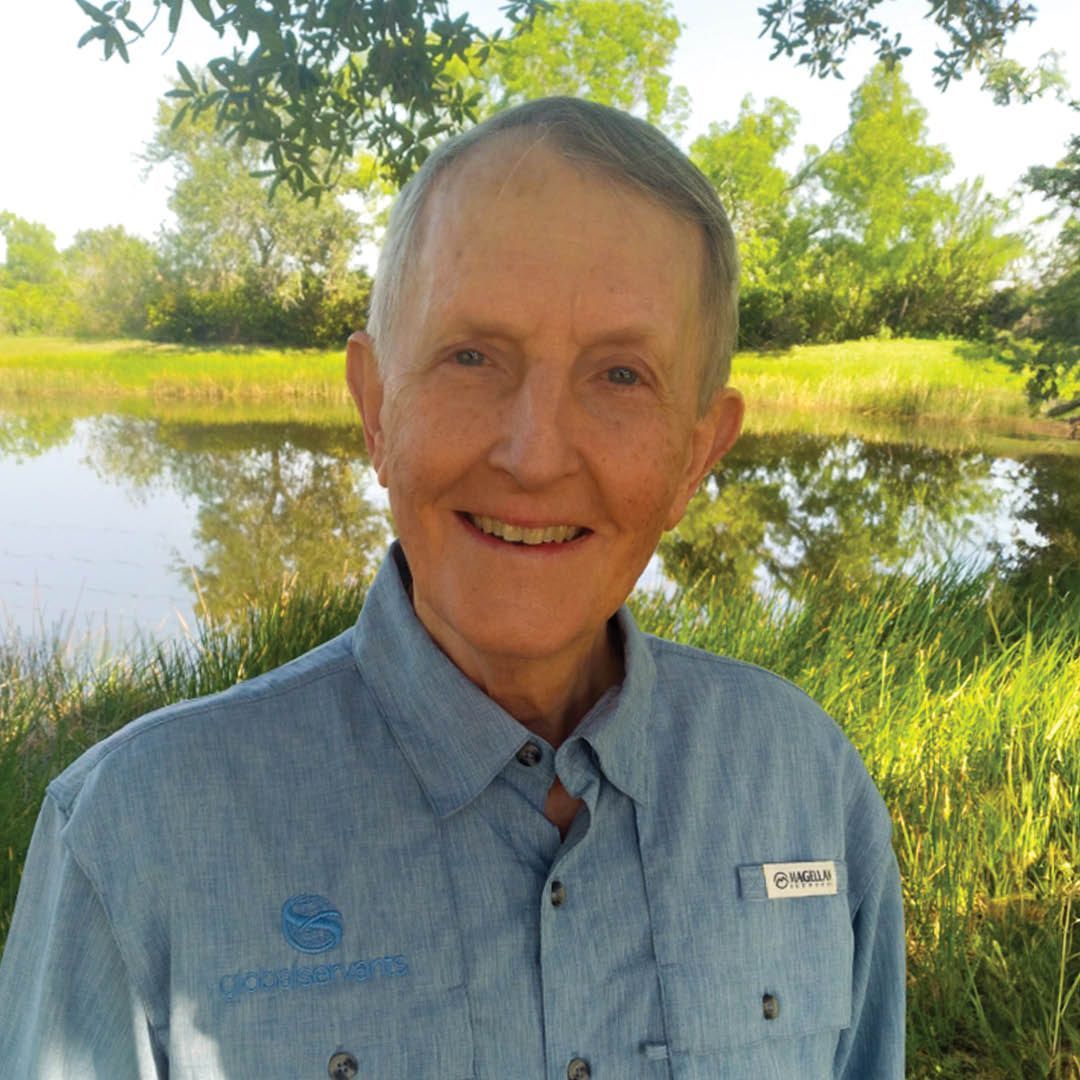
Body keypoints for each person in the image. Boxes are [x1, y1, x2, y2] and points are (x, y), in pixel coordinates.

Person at [0, 96, 904, 1078]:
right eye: (473, 356)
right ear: (376, 409)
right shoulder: (135, 835)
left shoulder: (807, 786)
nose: (533, 454)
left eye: (620, 376)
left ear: (698, 453)